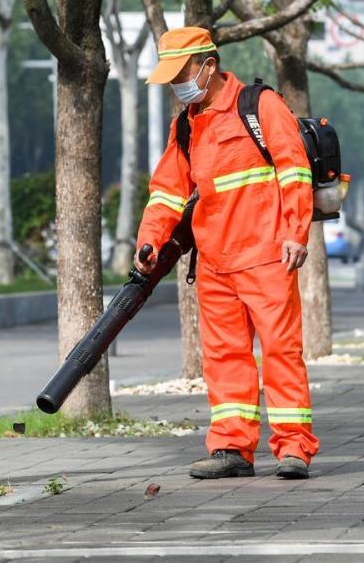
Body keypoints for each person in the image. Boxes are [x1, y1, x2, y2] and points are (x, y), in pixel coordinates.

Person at [136, 26, 317, 480]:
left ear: (208, 66)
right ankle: (232, 448)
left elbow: (294, 169)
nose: (178, 86)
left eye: (182, 74)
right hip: (214, 264)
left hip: (267, 256)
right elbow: (166, 192)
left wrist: (297, 232)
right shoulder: (186, 125)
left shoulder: (260, 106)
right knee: (224, 357)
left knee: (280, 350)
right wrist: (149, 240)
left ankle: (293, 447)